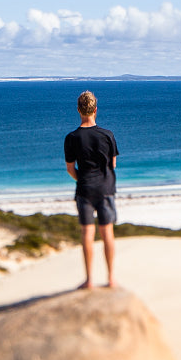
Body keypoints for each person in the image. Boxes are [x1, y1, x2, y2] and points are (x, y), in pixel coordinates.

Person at [64, 90, 119, 289]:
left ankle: (89, 280)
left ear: (78, 110)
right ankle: (111, 278)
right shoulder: (107, 135)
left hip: (85, 188)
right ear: (96, 110)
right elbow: (112, 164)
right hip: (105, 187)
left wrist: (83, 179)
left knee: (87, 233)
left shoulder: (71, 137)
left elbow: (70, 169)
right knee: (107, 233)